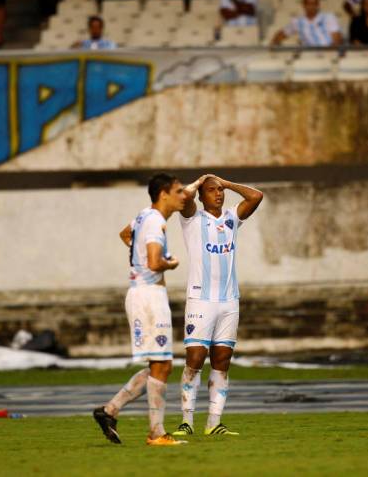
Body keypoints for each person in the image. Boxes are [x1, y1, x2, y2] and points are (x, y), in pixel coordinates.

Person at [93, 173, 188, 447]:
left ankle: (109, 411)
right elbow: (156, 262)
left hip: (142, 295)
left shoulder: (144, 215)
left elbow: (125, 234)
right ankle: (156, 433)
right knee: (162, 365)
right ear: (164, 194)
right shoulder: (156, 222)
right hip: (148, 298)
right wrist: (170, 263)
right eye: (179, 191)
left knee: (161, 365)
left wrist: (139, 260)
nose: (184, 196)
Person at [171, 174, 263, 437]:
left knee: (222, 360)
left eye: (220, 190)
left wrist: (227, 182)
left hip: (229, 300)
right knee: (196, 359)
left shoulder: (232, 218)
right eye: (212, 190)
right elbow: (183, 197)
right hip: (201, 299)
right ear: (202, 195)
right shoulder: (193, 218)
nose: (218, 193)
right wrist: (199, 182)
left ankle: (214, 422)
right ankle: (186, 421)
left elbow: (256, 196)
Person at [271, 0, 343, 46]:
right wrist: (274, 42)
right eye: (308, 3)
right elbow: (281, 34)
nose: (311, 6)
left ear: (318, 5)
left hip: (329, 53)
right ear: (304, 5)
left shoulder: (329, 17)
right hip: (309, 56)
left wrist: (327, 55)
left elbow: (337, 40)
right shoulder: (297, 22)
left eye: (314, 3)